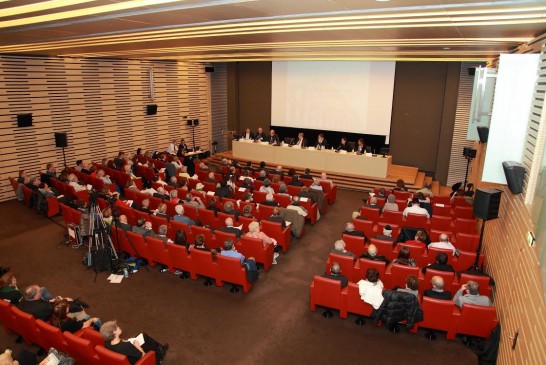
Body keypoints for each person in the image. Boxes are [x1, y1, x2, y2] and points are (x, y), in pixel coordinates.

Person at [100, 320, 168, 365]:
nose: (119, 327)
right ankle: (158, 358)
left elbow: (120, 345)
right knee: (146, 343)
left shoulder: (106, 343)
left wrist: (126, 342)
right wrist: (137, 346)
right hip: (136, 361)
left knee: (143, 336)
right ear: (114, 333)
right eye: (117, 327)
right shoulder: (126, 346)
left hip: (128, 355)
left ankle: (160, 349)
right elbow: (143, 356)